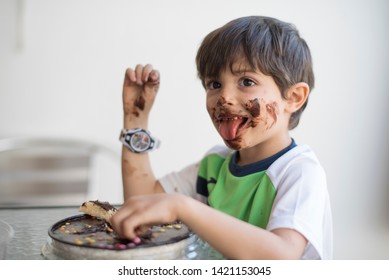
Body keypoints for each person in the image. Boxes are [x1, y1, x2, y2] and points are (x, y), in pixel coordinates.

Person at [111, 15, 333, 260]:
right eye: (214, 84)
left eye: (247, 81)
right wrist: (135, 119)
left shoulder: (298, 172)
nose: (223, 98)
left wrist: (182, 207)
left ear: (293, 98)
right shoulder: (215, 165)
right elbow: (141, 204)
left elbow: (281, 256)